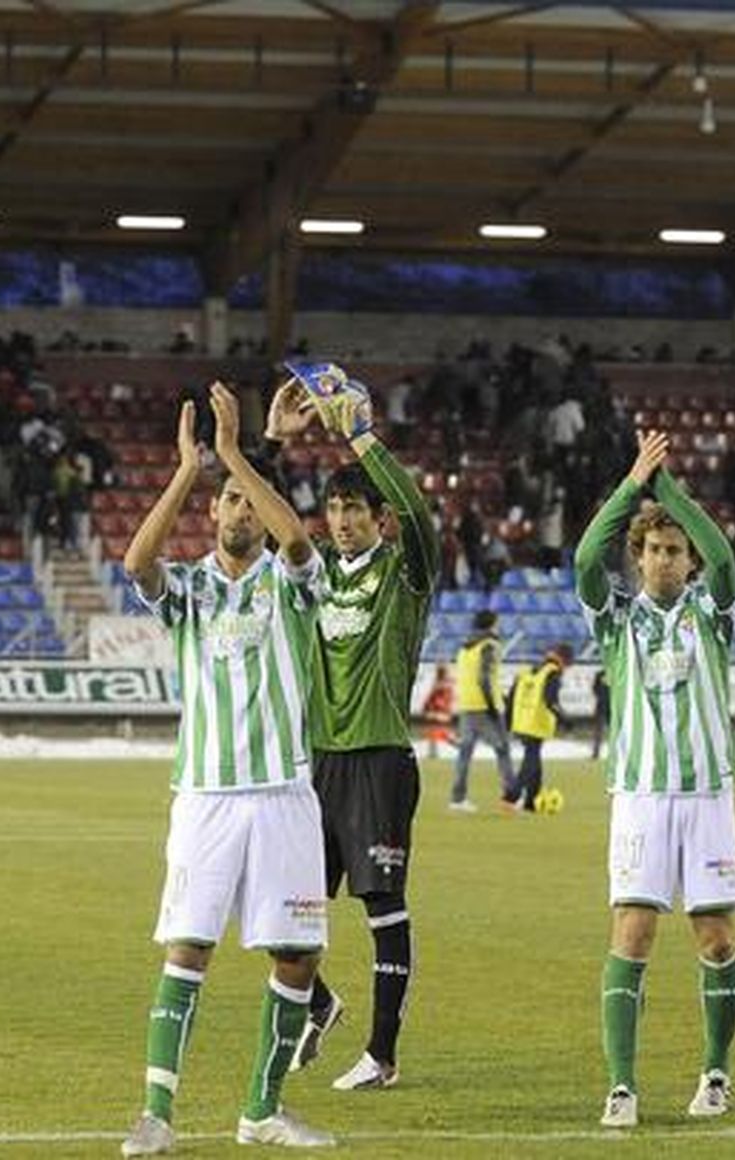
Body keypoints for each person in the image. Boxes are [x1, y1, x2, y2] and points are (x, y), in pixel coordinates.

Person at [119, 382, 333, 1156]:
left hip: (283, 793)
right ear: (212, 515)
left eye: (250, 503)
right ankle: (156, 1115)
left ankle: (261, 1111)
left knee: (297, 955)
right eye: (231, 502)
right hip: (207, 796)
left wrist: (240, 455)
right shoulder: (190, 590)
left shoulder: (289, 584)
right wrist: (189, 471)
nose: (241, 512)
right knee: (189, 946)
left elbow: (301, 545)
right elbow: (135, 561)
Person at [263, 368, 437, 1092]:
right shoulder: (310, 573)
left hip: (379, 758)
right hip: (318, 761)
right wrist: (274, 445)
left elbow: (420, 516)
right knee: (280, 909)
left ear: (378, 518)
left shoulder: (404, 572)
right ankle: (323, 1002)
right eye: (333, 508)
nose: (340, 520)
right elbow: (266, 516)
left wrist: (361, 437)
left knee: (381, 905)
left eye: (354, 509)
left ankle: (383, 1054)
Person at [576, 430, 735, 1129]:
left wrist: (668, 486)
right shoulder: (615, 620)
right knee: (634, 931)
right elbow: (587, 556)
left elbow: (727, 558)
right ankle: (622, 1086)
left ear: (688, 558)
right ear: (639, 557)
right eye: (654, 549)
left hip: (706, 794)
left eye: (677, 550)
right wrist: (632, 485)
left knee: (715, 937)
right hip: (641, 798)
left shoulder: (713, 612)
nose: (667, 559)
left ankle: (716, 1073)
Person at [451, 610, 517, 812]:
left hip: (466, 705)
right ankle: (510, 796)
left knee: (464, 754)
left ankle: (457, 799)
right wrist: (491, 706)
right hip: (485, 706)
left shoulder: (464, 648)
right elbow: (484, 678)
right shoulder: (490, 646)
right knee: (503, 750)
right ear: (492, 624)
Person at [504, 644, 572, 812]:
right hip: (536, 722)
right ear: (564, 660)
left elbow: (511, 697)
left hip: (521, 721)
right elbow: (551, 701)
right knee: (530, 761)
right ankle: (512, 795)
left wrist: (508, 721)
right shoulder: (552, 673)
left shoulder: (527, 671)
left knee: (534, 760)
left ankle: (531, 802)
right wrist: (565, 720)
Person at [420, 663, 454, 760]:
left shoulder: (441, 686)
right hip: (439, 714)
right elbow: (429, 702)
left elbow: (429, 702)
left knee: (440, 734)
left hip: (440, 714)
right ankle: (435, 751)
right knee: (438, 734)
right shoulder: (442, 686)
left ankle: (437, 749)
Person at [589, 668, 612, 761]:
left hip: (612, 707)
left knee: (614, 731)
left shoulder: (616, 673)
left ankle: (616, 753)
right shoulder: (599, 674)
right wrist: (601, 697)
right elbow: (594, 688)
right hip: (601, 706)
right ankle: (596, 753)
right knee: (599, 732)